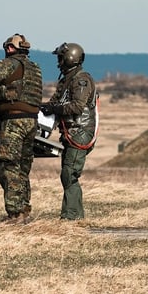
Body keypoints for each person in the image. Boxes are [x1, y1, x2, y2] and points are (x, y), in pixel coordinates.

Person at [0, 33, 43, 224]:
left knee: (7, 166)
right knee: (23, 167)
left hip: (14, 121)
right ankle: (23, 210)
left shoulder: (7, 64)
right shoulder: (35, 68)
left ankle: (14, 214)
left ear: (9, 48)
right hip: (32, 122)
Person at [41, 42, 98, 221]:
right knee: (67, 173)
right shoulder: (66, 80)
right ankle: (74, 215)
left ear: (69, 58)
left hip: (80, 132)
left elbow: (77, 106)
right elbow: (55, 102)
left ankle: (71, 216)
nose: (58, 62)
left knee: (69, 173)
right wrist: (41, 107)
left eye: (60, 58)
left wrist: (54, 109)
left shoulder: (81, 80)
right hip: (70, 133)